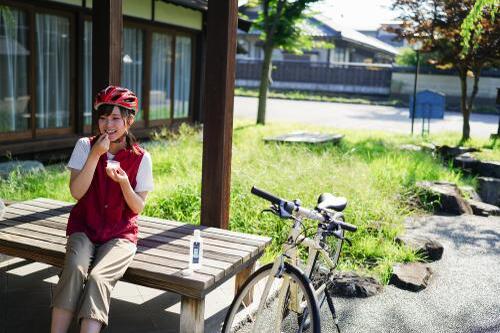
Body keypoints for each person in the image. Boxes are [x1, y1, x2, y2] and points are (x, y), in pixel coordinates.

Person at [50, 86, 154, 333]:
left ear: (129, 121)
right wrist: (96, 155)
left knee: (98, 278)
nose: (108, 124)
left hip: (120, 234)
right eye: (103, 117)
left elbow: (137, 207)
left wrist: (125, 183)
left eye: (115, 118)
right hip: (84, 228)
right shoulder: (86, 146)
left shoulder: (141, 158)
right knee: (74, 270)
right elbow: (76, 192)